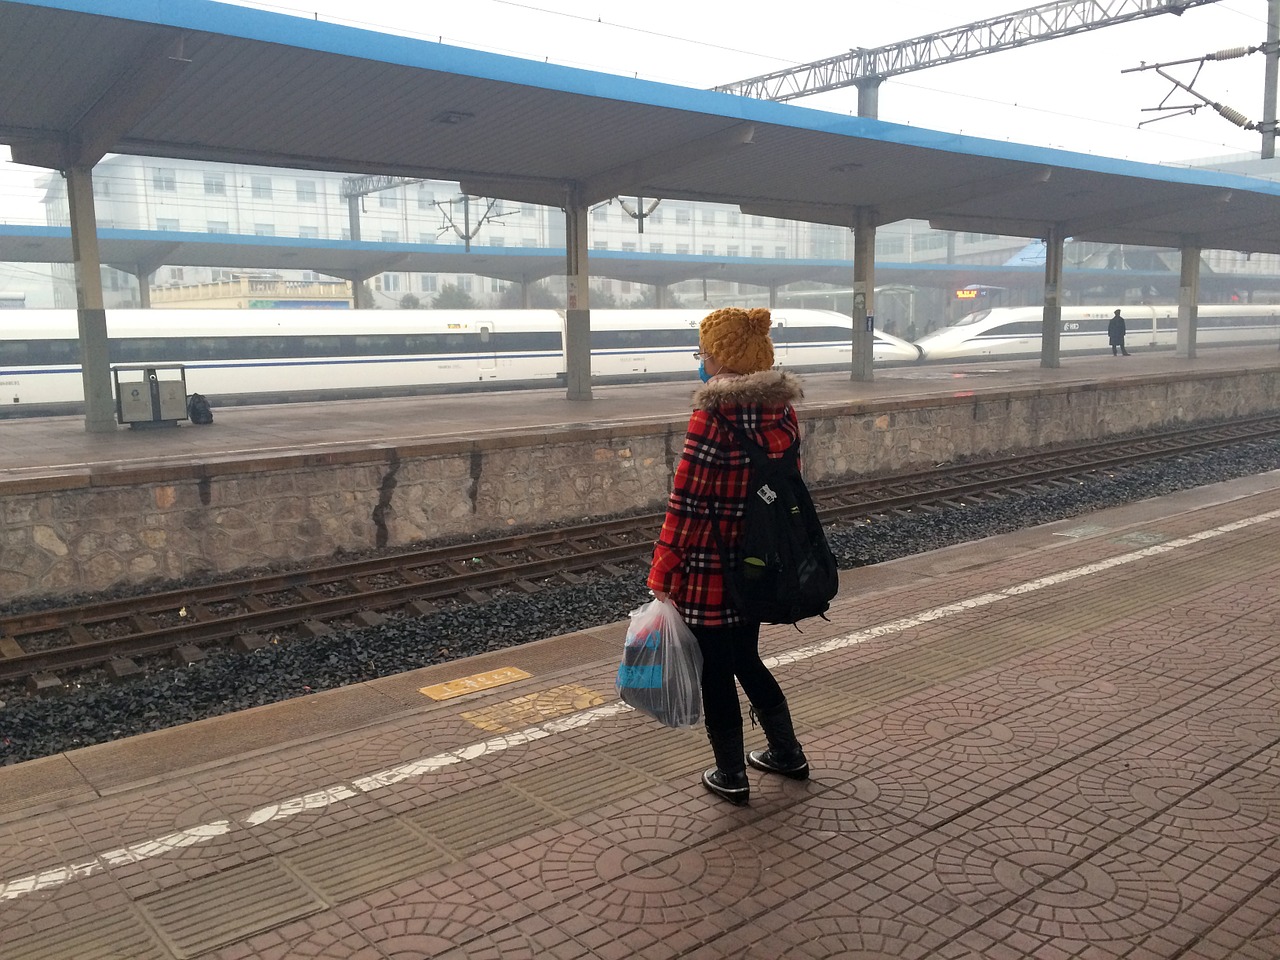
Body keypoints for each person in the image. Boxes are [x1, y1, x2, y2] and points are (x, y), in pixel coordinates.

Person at [647, 306, 809, 806]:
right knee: (745, 656)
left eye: (704, 353)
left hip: (710, 570)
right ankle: (787, 753)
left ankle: (730, 774)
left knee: (715, 668)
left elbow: (687, 503)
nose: (701, 361)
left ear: (720, 357)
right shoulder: (782, 410)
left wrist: (664, 569)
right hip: (759, 562)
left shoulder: (712, 415)